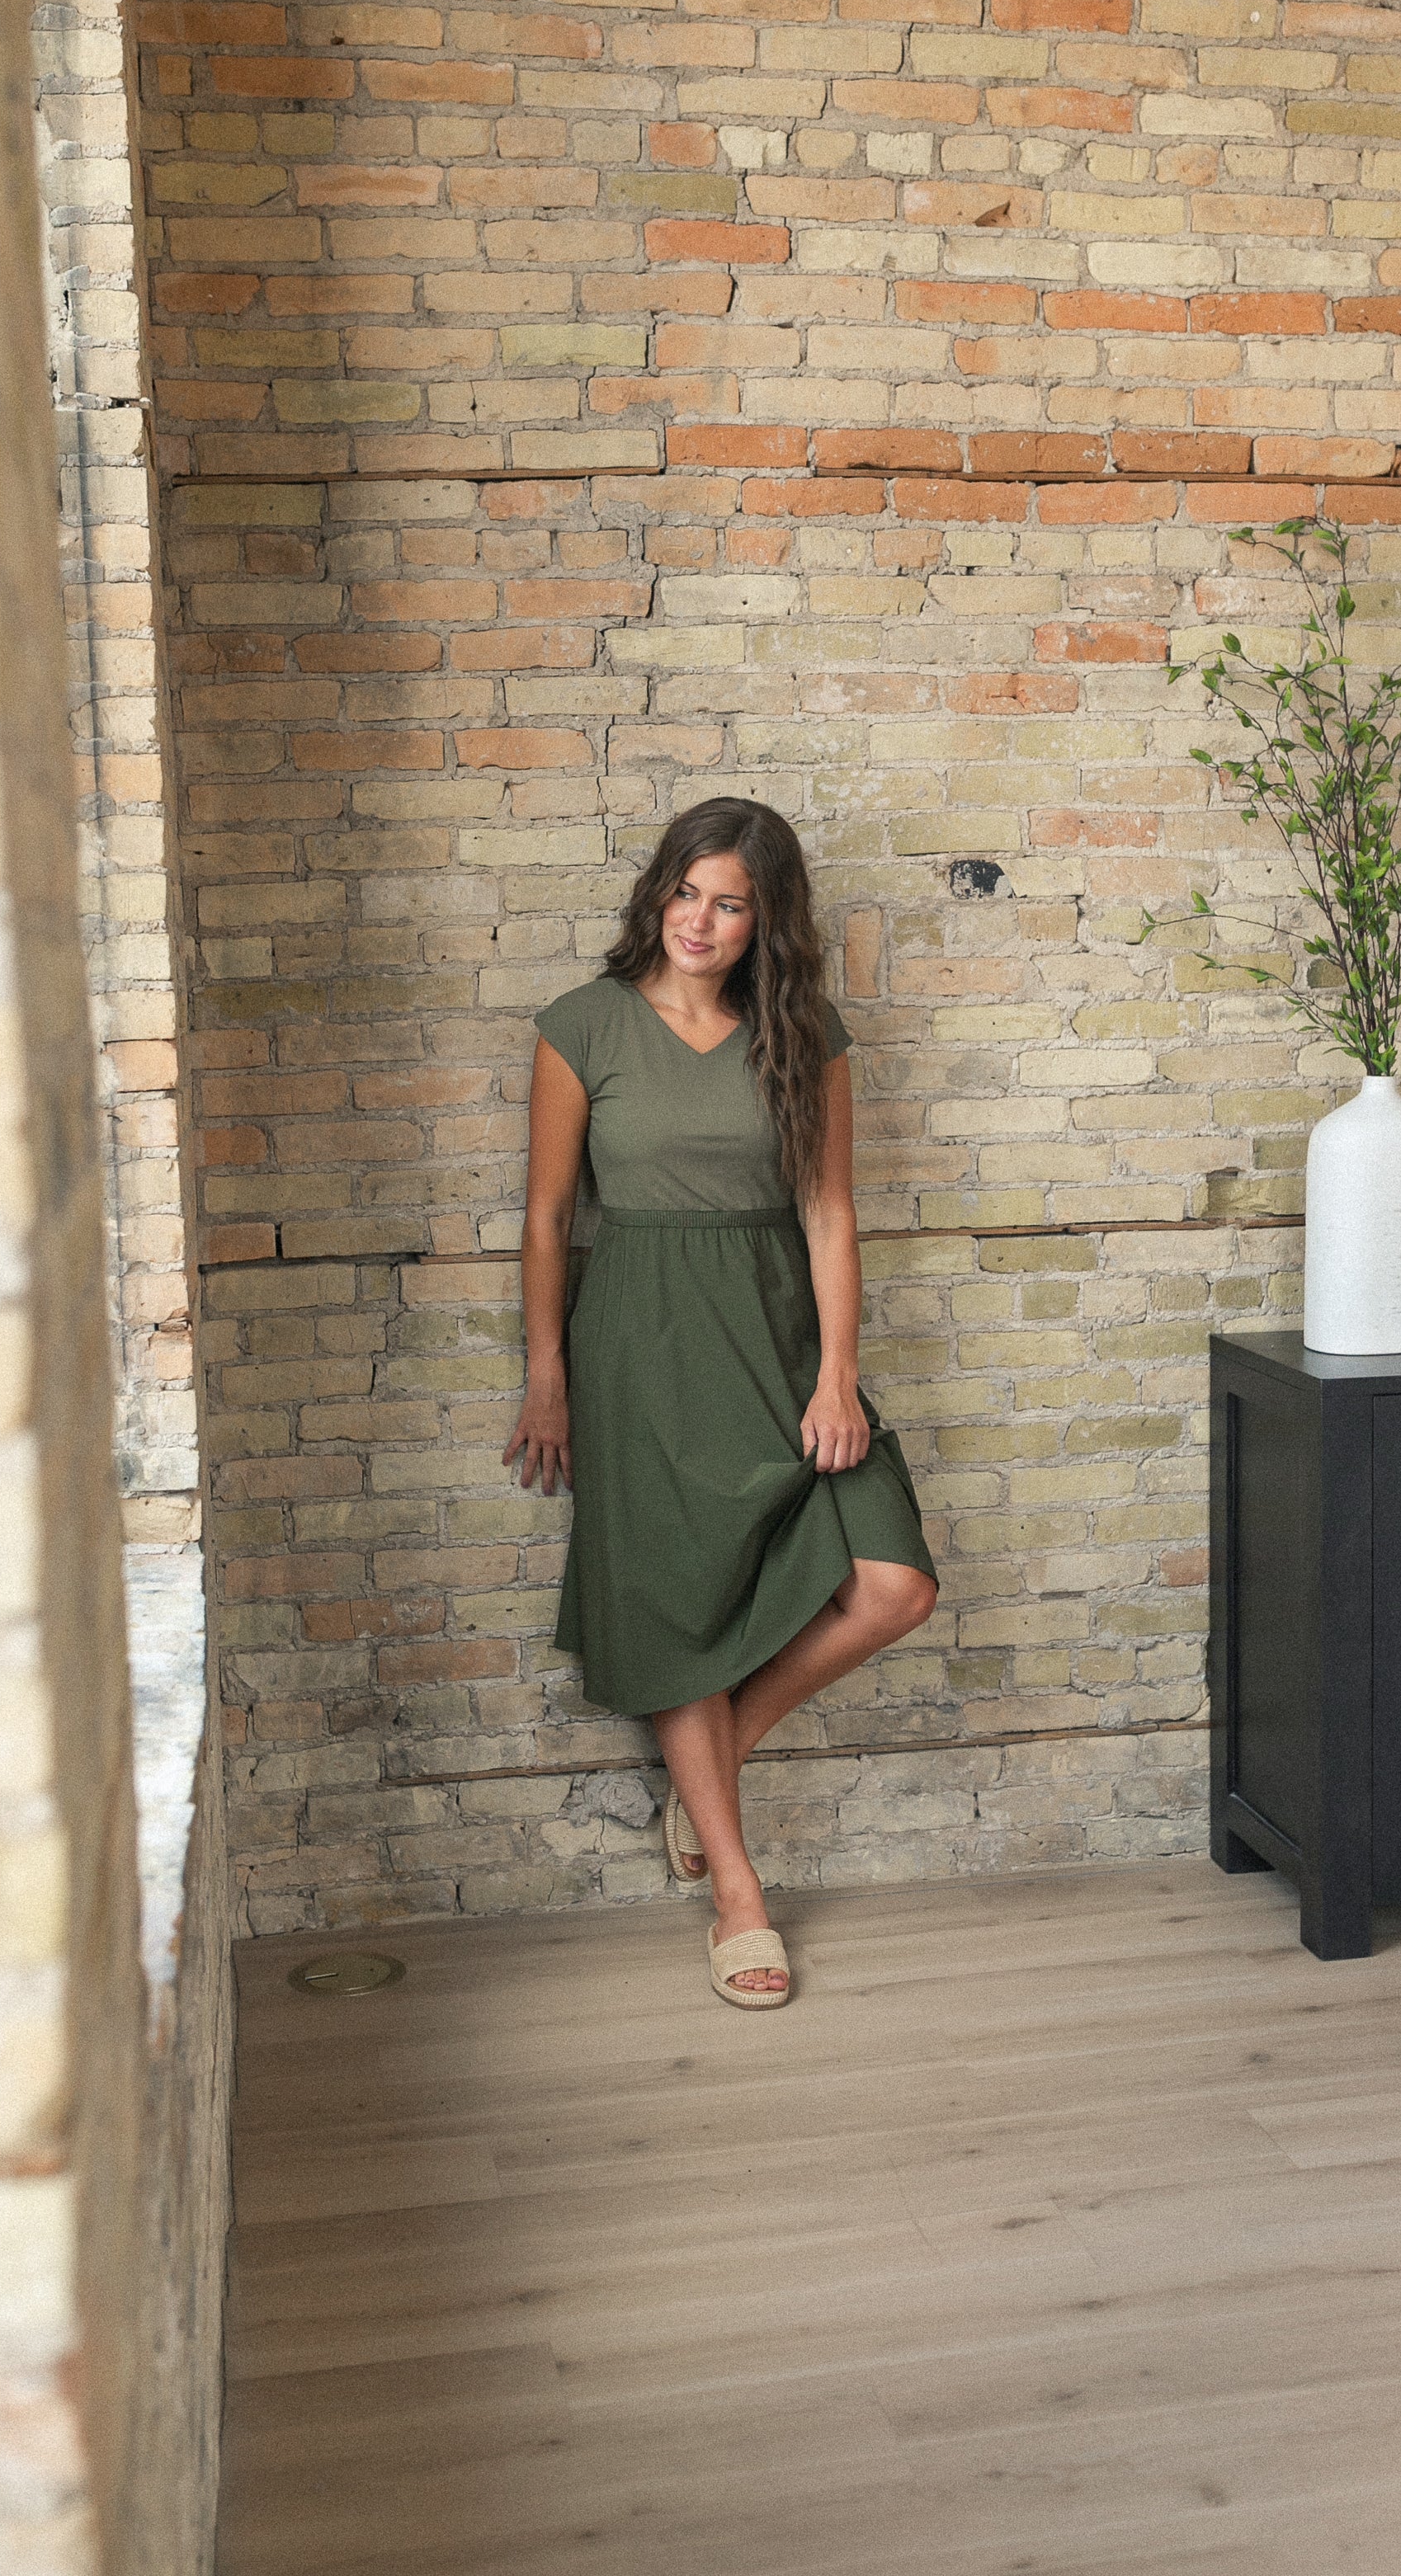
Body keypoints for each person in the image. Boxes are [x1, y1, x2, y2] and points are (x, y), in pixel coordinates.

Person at [504, 798, 940, 2009]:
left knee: (894, 1585)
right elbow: (547, 1217)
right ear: (659, 893)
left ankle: (712, 1770)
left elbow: (830, 1212)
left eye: (730, 903)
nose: (699, 922)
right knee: (679, 1606)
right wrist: (547, 1377)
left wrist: (838, 1373)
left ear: (765, 921)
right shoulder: (582, 1026)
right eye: (686, 892)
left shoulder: (803, 1035)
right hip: (640, 1346)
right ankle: (739, 1896)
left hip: (778, 1332)